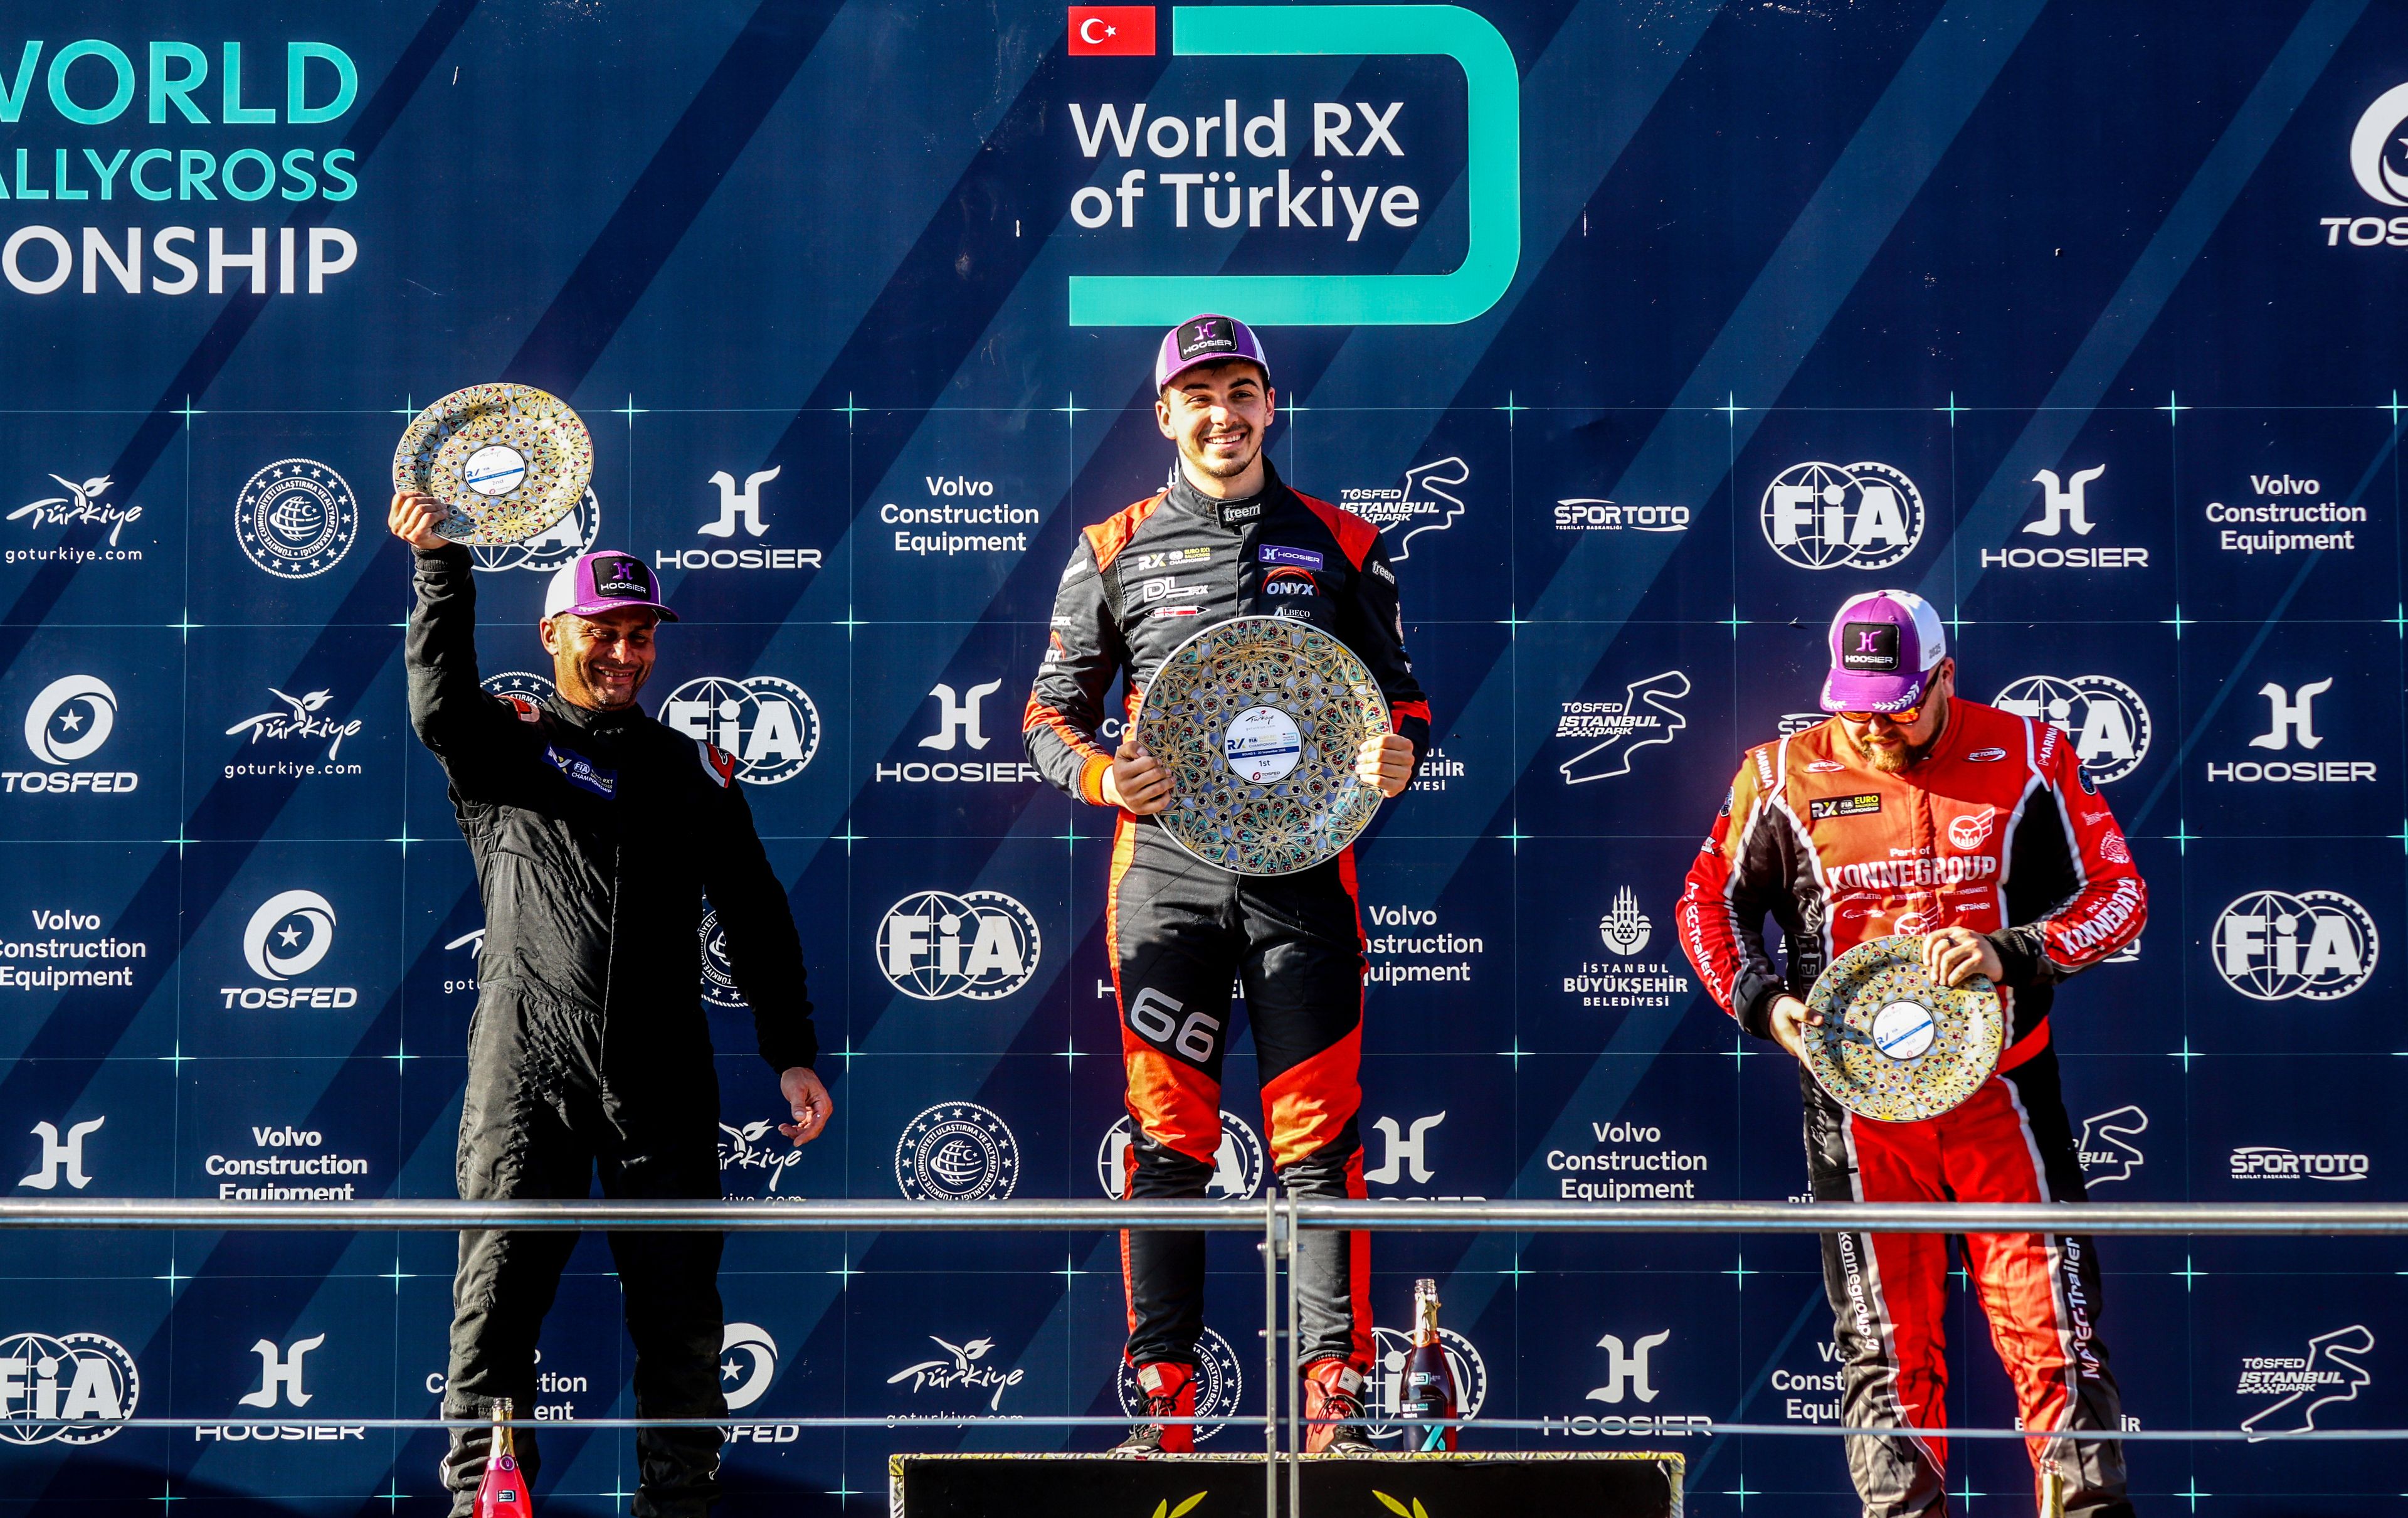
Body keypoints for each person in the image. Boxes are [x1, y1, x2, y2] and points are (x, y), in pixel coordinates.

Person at [1023, 314, 1430, 1455]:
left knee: (1318, 1144)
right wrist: (1107, 772)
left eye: (1242, 391)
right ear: (1166, 414)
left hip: (1305, 879)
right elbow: (1050, 717)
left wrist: (1400, 751)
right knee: (1167, 1141)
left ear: (1270, 405)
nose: (1224, 414)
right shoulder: (1113, 544)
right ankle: (1166, 1413)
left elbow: (1403, 700)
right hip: (1166, 881)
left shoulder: (1343, 540)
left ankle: (1334, 1413)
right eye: (1199, 396)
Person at [390, 493, 834, 1518]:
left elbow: (758, 915)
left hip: (662, 1073)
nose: (625, 655)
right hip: (525, 1064)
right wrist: (441, 570)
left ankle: (680, 1509)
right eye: (602, 635)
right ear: (553, 635)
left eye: (639, 636)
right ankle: (485, 1505)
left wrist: (791, 1051)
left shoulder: (693, 771)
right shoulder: (510, 741)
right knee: (496, 1309)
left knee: (681, 1318)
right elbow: (437, 709)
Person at [1676, 589, 2142, 1518]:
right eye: (1855, 703)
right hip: (1860, 1110)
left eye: (1897, 703)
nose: (1876, 724)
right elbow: (1706, 902)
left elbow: (2117, 894)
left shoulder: (2030, 755)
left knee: (2054, 1331)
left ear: (1945, 678)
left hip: (2003, 1095)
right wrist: (1766, 1004)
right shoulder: (1778, 773)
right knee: (1885, 1350)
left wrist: (2013, 950)